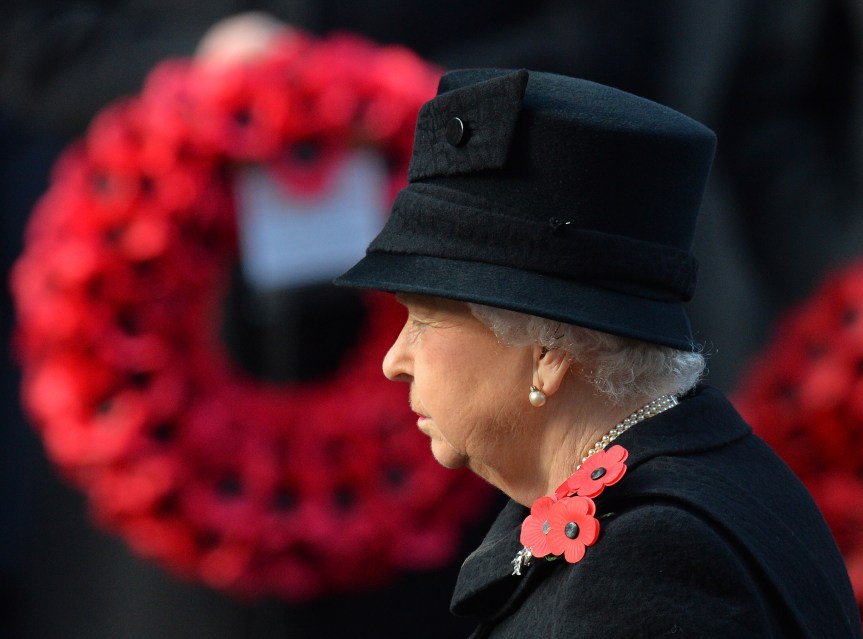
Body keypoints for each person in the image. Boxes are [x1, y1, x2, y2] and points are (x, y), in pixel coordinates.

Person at [335, 68, 862, 637]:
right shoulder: (694, 478)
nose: (395, 360)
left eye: (424, 318)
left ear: (548, 350)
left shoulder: (651, 562)